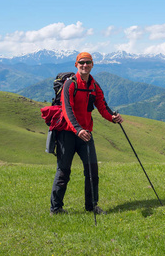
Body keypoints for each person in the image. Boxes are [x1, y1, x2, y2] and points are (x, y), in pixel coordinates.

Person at [50, 52, 123, 215]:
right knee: (63, 171)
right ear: (76, 65)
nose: (85, 65)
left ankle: (91, 206)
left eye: (88, 62)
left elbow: (102, 107)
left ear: (92, 64)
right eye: (81, 62)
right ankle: (55, 209)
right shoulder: (70, 84)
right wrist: (78, 129)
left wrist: (113, 118)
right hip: (67, 134)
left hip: (86, 134)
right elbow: (67, 110)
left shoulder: (94, 86)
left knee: (92, 171)